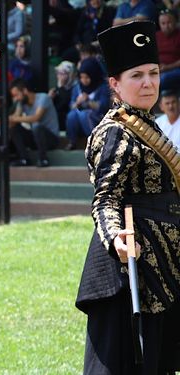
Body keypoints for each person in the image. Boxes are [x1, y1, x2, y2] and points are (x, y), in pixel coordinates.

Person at [76, 21, 180, 374]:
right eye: (136, 75)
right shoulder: (116, 132)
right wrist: (115, 237)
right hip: (131, 268)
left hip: (163, 266)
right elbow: (104, 199)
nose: (149, 82)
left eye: (153, 72)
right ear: (115, 85)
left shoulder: (148, 124)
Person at [8, 78, 60, 167]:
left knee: (36, 126)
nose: (16, 98)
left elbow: (36, 118)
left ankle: (43, 159)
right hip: (35, 138)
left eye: (17, 95)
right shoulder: (21, 103)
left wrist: (14, 118)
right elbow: (14, 120)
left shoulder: (43, 98)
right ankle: (24, 159)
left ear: (24, 90)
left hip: (51, 139)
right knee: (14, 129)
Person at [65, 57, 110, 150]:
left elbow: (103, 106)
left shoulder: (102, 86)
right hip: (80, 123)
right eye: (82, 77)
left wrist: (88, 101)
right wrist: (77, 102)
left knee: (84, 114)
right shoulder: (78, 87)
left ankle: (96, 142)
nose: (84, 80)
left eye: (87, 77)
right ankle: (72, 142)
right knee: (72, 115)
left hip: (97, 120)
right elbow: (71, 106)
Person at [156, 9, 180, 91]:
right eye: (163, 23)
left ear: (176, 22)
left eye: (169, 22)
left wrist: (168, 67)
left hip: (175, 68)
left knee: (162, 79)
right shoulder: (156, 36)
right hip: (158, 69)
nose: (166, 26)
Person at [49, 60, 77, 131]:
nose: (59, 76)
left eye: (62, 74)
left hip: (68, 117)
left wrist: (60, 88)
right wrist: (50, 98)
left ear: (70, 74)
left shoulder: (76, 87)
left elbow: (65, 104)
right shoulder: (58, 87)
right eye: (58, 73)